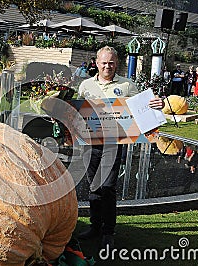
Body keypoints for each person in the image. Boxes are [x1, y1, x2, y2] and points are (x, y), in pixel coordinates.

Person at [77, 46, 164, 248]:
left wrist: (156, 105)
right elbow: (76, 112)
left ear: (117, 64)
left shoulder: (127, 85)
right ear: (96, 63)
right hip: (90, 143)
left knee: (107, 187)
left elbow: (143, 106)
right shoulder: (85, 86)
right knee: (94, 187)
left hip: (114, 143)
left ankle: (108, 231)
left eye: (111, 63)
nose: (107, 66)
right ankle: (95, 226)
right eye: (104, 62)